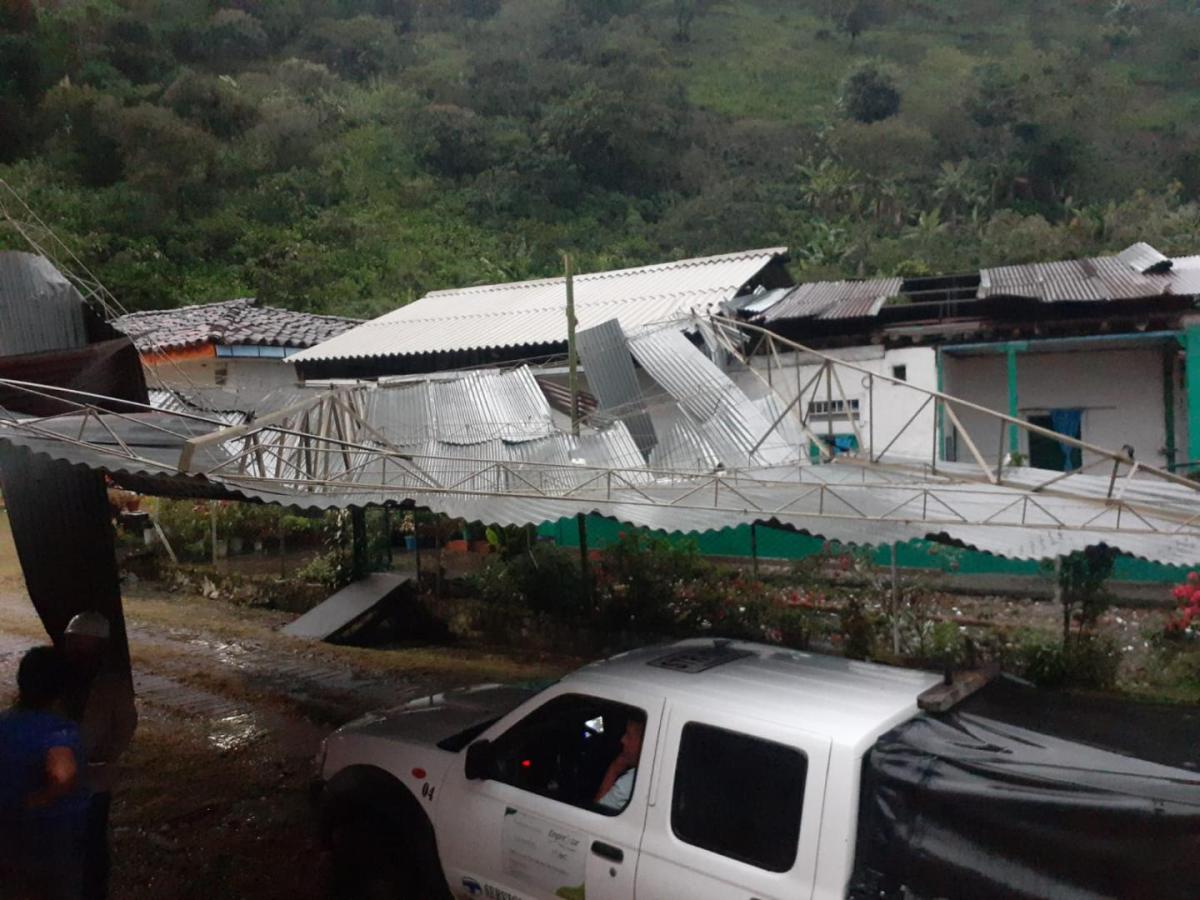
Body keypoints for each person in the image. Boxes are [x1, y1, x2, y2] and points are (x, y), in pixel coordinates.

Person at [0, 646, 90, 900]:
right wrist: (33, 802)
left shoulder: (5, 722)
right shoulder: (58, 731)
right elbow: (62, 776)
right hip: (50, 839)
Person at [62, 612, 138, 900]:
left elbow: (125, 726)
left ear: (99, 647)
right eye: (74, 643)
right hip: (59, 773)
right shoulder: (58, 677)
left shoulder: (113, 686)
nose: (78, 651)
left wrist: (102, 760)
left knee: (92, 843)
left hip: (94, 778)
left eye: (85, 645)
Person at [594, 718, 644, 812]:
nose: (623, 740)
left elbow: (597, 812)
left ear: (643, 743)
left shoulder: (628, 783)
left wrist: (613, 770)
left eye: (629, 736)